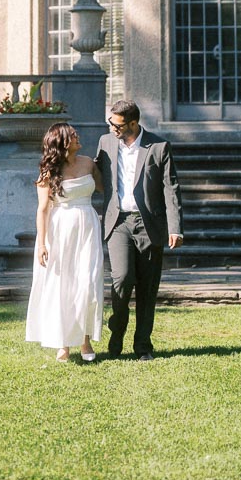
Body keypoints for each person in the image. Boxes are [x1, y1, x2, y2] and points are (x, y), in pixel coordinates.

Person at [95, 99, 183, 361]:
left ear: (133, 123)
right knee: (122, 279)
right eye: (110, 122)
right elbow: (94, 174)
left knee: (147, 288)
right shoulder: (106, 143)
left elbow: (172, 189)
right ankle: (116, 334)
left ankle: (143, 345)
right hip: (118, 222)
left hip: (149, 225)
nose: (112, 128)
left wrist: (175, 227)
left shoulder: (159, 146)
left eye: (118, 125)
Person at [25, 121, 104, 363]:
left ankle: (85, 339)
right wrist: (42, 244)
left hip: (88, 225)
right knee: (62, 285)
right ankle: (62, 343)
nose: (78, 137)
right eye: (73, 135)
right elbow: (42, 210)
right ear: (62, 143)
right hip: (59, 229)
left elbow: (105, 189)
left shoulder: (89, 163)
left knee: (88, 283)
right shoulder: (48, 172)